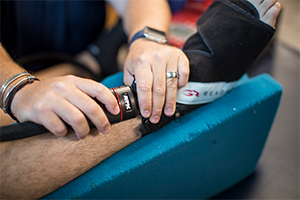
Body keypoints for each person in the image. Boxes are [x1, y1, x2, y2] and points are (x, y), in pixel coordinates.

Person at [0, 0, 281, 198]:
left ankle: (95, 58)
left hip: (62, 59)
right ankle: (192, 86)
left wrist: (149, 38)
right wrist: (15, 87)